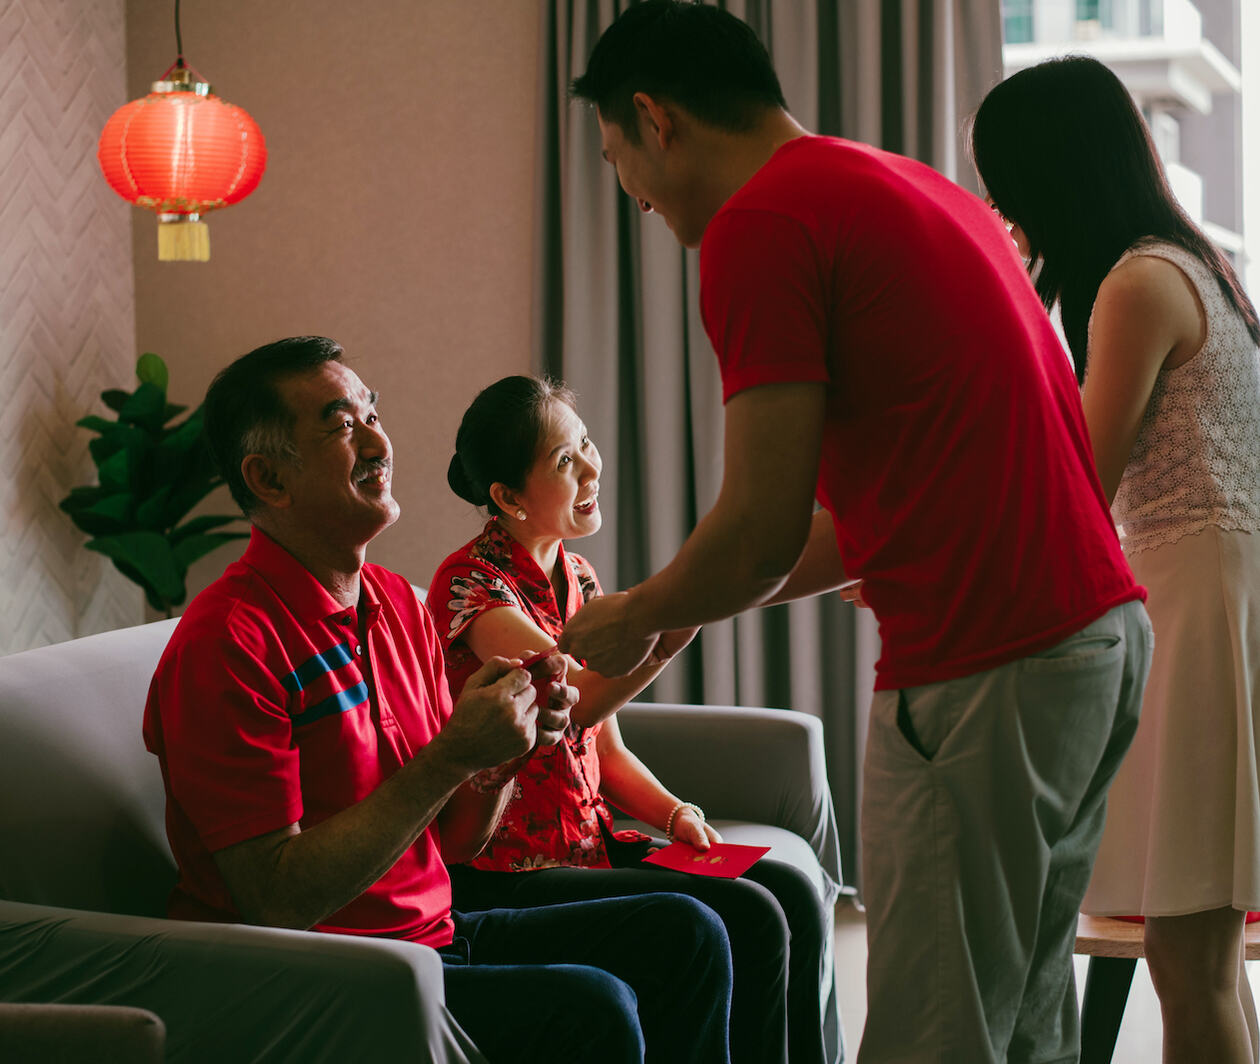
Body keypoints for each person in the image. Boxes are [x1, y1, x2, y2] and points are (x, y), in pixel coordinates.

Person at [558, 4, 1153, 1062]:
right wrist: (677, 608)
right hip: (1092, 644)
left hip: (989, 657)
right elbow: (871, 520)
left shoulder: (762, 223)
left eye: (616, 158)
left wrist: (635, 615)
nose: (633, 195)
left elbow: (760, 529)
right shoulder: (909, 185)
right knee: (1022, 1020)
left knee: (936, 1027)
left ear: (655, 118)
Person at [141, 336, 734, 1064]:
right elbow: (277, 899)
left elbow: (456, 841)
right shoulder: (229, 641)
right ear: (268, 478)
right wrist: (454, 754)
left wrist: (500, 756)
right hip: (321, 973)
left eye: (373, 412)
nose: (378, 440)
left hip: (435, 932)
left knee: (689, 933)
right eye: (340, 424)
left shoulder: (395, 603)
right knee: (595, 1009)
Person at [970, 54, 1260, 1064]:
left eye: (1009, 192)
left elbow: (1074, 488)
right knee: (1207, 960)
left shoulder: (1136, 282)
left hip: (1192, 611)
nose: (1008, 214)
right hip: (1216, 601)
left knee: (1189, 963)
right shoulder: (1197, 267)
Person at [428, 374, 838, 1064]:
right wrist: (671, 630)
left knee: (790, 892)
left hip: (589, 846)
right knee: (746, 915)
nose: (592, 467)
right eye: (565, 461)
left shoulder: (580, 579)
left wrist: (675, 812)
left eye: (585, 444)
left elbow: (604, 750)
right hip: (510, 868)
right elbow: (574, 699)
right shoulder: (472, 588)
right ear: (506, 497)